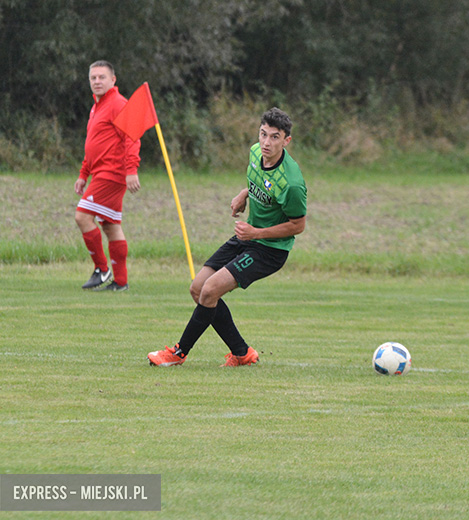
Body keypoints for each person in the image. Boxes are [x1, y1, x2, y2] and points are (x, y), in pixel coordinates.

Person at [147, 107, 307, 367]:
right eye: (263, 134)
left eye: (275, 137)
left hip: (269, 250)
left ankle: (178, 353)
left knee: (209, 291)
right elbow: (258, 182)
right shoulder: (256, 152)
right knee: (198, 289)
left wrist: (257, 232)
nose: (266, 142)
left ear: (286, 140)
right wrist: (244, 194)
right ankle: (242, 353)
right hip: (247, 237)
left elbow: (298, 225)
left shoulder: (292, 182)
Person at [75, 60, 141, 292]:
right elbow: (93, 145)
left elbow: (132, 137)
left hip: (112, 173)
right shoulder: (97, 107)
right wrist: (84, 174)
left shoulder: (118, 103)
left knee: (82, 217)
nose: (97, 81)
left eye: (102, 77)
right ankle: (120, 282)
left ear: (113, 80)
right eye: (93, 78)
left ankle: (102, 269)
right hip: (100, 173)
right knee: (111, 225)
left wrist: (131, 170)